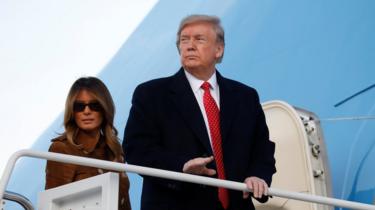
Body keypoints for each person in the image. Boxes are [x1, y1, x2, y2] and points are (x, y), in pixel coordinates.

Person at [123, 15, 276, 210]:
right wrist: (182, 166)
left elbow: (262, 148)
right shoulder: (152, 94)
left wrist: (258, 175)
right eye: (184, 40)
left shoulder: (245, 97)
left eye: (199, 39)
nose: (189, 46)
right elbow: (136, 149)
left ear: (218, 50)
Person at [45, 76, 131, 210]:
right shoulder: (62, 149)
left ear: (104, 108)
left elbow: (124, 202)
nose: (87, 111)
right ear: (72, 112)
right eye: (79, 106)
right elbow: (52, 205)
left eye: (94, 105)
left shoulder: (114, 149)